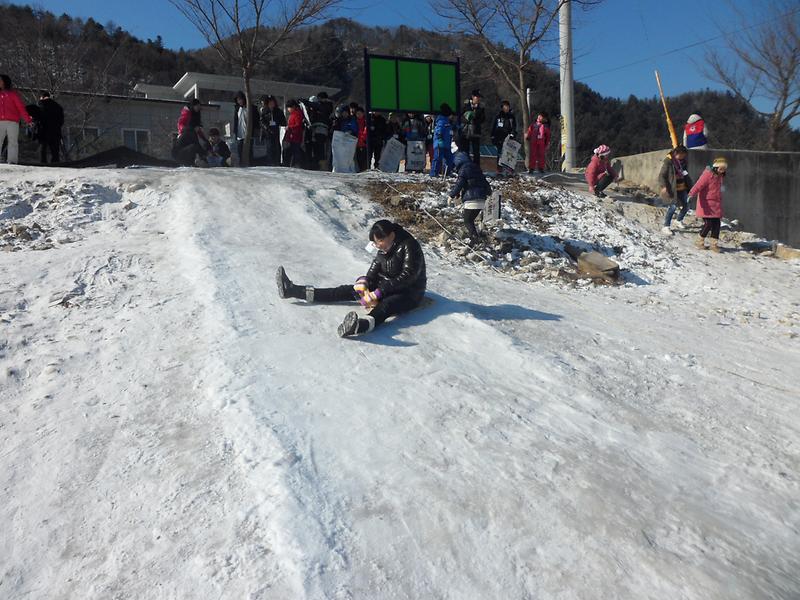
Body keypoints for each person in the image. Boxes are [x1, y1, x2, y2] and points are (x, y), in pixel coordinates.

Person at [276, 220, 427, 337]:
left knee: (387, 305)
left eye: (379, 241)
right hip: (385, 286)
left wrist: (380, 292)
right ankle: (294, 291)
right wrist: (365, 281)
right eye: (375, 243)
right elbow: (375, 267)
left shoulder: (409, 246)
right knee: (348, 290)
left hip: (409, 293)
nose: (377, 246)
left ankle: (359, 326)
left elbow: (409, 276)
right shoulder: (384, 247)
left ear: (391, 236)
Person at [449, 151, 492, 242]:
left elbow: (459, 184)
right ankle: (476, 237)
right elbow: (484, 182)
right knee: (471, 219)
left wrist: (451, 195)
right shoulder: (476, 168)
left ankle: (474, 239)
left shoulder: (464, 169)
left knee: (467, 221)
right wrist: (489, 193)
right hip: (482, 199)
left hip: (471, 200)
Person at [688, 157, 727, 252]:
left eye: (724, 169)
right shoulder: (707, 175)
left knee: (717, 224)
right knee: (708, 223)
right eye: (720, 168)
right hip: (706, 203)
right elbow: (698, 185)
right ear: (715, 167)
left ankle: (714, 244)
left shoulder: (720, 177)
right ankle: (699, 240)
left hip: (716, 204)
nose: (722, 171)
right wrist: (691, 193)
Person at [658, 145, 693, 235]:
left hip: (683, 187)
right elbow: (662, 175)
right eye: (682, 155)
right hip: (672, 189)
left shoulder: (683, 162)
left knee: (686, 205)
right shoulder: (668, 162)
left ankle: (678, 220)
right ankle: (666, 226)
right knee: (673, 207)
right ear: (677, 153)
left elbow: (685, 174)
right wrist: (664, 186)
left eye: (684, 155)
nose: (683, 157)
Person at [0, 74, 33, 164]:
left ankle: (12, 161)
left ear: (5, 82)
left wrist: (28, 120)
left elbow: (21, 108)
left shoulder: (13, 94)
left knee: (13, 142)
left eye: (0, 80)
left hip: (12, 122)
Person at [459, 90, 485, 164]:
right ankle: (465, 166)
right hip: (465, 131)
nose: (479, 99)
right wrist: (467, 117)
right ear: (473, 97)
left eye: (480, 98)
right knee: (465, 150)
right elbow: (460, 116)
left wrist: (475, 114)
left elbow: (483, 119)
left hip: (476, 131)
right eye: (477, 97)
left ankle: (476, 167)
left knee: (476, 152)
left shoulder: (481, 107)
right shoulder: (465, 105)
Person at [233, 91, 259, 164]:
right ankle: (241, 164)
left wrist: (255, 130)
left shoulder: (251, 108)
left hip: (249, 134)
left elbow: (256, 120)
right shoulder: (237, 109)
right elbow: (235, 121)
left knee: (249, 151)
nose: (239, 101)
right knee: (240, 151)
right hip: (239, 134)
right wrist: (234, 132)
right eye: (238, 100)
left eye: (240, 99)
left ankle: (250, 164)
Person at [37, 91, 64, 163]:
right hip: (55, 130)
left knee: (43, 149)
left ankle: (43, 163)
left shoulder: (41, 105)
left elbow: (38, 118)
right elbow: (61, 121)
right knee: (55, 150)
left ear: (42, 97)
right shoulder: (58, 106)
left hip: (44, 130)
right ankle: (55, 164)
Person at [259, 95, 286, 166]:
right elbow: (262, 121)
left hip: (276, 131)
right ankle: (270, 162)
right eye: (270, 103)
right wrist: (267, 128)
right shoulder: (264, 111)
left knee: (277, 147)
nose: (271, 104)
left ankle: (277, 162)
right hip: (268, 132)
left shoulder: (278, 111)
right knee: (269, 147)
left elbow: (283, 121)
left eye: (272, 102)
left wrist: (280, 123)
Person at [491, 100, 517, 172]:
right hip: (499, 137)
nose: (506, 108)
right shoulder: (498, 116)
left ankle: (509, 170)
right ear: (502, 107)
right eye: (505, 106)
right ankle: (499, 169)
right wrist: (492, 135)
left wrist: (513, 133)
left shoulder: (511, 117)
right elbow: (493, 126)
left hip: (509, 136)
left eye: (508, 106)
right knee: (500, 153)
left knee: (510, 154)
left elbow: (514, 126)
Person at [430, 103, 454, 177]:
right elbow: (438, 131)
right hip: (440, 144)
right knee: (437, 158)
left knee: (449, 159)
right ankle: (434, 173)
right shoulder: (442, 121)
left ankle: (448, 172)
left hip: (446, 144)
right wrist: (440, 140)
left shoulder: (447, 122)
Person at [285, 99, 305, 168]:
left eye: (289, 107)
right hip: (293, 136)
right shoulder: (294, 114)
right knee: (293, 151)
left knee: (295, 151)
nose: (288, 109)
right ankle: (293, 164)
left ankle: (296, 164)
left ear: (293, 106)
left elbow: (298, 125)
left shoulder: (297, 113)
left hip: (296, 136)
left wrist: (290, 127)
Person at [355, 106, 368, 171]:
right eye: (357, 113)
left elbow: (366, 131)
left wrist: (363, 138)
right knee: (358, 159)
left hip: (364, 143)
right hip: (357, 143)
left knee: (364, 159)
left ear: (363, 113)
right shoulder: (355, 121)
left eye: (360, 113)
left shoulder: (365, 121)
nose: (359, 115)